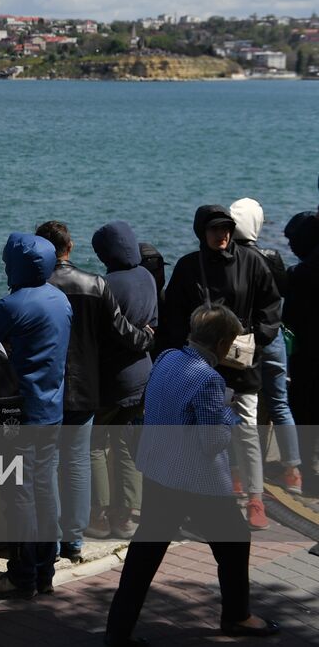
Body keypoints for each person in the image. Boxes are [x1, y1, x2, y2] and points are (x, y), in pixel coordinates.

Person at [103, 306, 280, 645]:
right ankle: (237, 616)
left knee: (145, 553)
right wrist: (231, 418)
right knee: (234, 540)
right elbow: (212, 441)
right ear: (223, 343)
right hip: (197, 479)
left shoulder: (167, 358)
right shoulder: (210, 380)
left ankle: (118, 629)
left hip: (158, 469)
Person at [158, 205, 282, 530]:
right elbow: (172, 314)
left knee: (248, 431)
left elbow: (272, 304)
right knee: (202, 434)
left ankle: (255, 498)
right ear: (202, 232)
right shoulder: (187, 266)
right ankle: (211, 495)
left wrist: (258, 339)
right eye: (214, 229)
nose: (222, 234)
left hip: (243, 364)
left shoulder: (252, 262)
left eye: (226, 228)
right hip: (199, 366)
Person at [35, 220, 152, 561]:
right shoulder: (98, 283)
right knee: (85, 457)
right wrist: (148, 338)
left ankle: (67, 532)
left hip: (53, 386)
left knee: (61, 459)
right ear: (69, 248)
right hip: (95, 383)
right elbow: (123, 331)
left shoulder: (35, 285)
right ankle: (81, 535)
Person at [0, 232, 72, 599]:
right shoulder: (61, 301)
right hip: (52, 409)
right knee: (46, 490)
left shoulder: (12, 306)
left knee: (19, 494)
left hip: (19, 415)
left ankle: (22, 576)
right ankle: (45, 570)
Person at [87, 220, 158, 539]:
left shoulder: (105, 284)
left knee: (95, 443)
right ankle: (127, 515)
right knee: (127, 442)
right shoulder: (147, 277)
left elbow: (98, 336)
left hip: (111, 377)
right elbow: (152, 325)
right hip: (143, 372)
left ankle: (99, 516)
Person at [230, 197, 303, 494]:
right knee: (280, 403)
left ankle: (237, 475)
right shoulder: (271, 256)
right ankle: (292, 471)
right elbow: (284, 291)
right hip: (272, 338)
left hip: (241, 340)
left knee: (238, 405)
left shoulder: (229, 258)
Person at [284, 211, 319, 487]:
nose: (290, 247)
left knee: (304, 410)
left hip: (305, 355)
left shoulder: (298, 275)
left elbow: (289, 321)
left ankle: (309, 469)